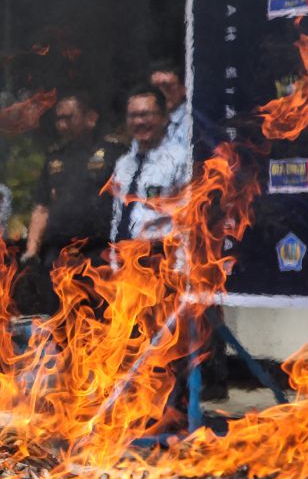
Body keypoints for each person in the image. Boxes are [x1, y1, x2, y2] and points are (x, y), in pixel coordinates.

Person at [17, 92, 122, 315]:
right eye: (59, 119)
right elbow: (41, 207)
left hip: (98, 252)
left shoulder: (113, 153)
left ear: (90, 118)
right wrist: (32, 251)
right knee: (59, 317)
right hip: (59, 254)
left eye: (69, 118)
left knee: (99, 316)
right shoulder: (54, 158)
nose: (62, 125)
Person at [111, 84, 193, 244]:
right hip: (125, 258)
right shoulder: (123, 164)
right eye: (132, 116)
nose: (139, 121)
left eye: (145, 115)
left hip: (161, 256)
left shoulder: (180, 160)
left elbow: (187, 218)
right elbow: (117, 217)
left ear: (164, 118)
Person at [149, 60, 189, 148]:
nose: (160, 92)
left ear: (183, 89)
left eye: (166, 86)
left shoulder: (191, 122)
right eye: (155, 88)